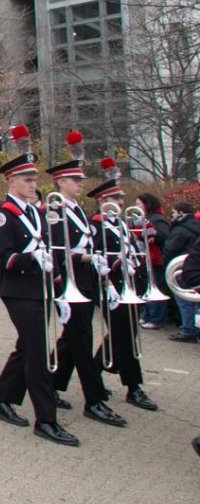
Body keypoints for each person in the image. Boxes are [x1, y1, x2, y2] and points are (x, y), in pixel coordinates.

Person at [0, 132, 78, 446]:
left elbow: (48, 254)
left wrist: (58, 285)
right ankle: (46, 420)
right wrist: (30, 259)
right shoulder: (2, 214)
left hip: (40, 289)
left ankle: (0, 399)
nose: (32, 183)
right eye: (26, 179)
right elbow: (4, 258)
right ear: (11, 180)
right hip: (18, 290)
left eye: (34, 178)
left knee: (26, 347)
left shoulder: (36, 213)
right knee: (37, 354)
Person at [44, 145, 126, 427]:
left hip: (86, 280)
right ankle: (94, 399)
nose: (81, 184)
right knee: (81, 341)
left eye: (81, 179)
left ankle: (51, 384)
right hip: (70, 281)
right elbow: (57, 250)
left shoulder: (78, 209)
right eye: (75, 180)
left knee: (71, 340)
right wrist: (87, 257)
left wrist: (98, 264)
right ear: (61, 182)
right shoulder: (55, 209)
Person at [88, 169, 157, 412]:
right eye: (113, 199)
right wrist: (117, 264)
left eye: (119, 198)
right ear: (101, 202)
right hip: (112, 288)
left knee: (120, 336)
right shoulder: (96, 226)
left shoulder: (121, 224)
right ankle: (133, 388)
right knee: (125, 337)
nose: (119, 202)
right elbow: (96, 257)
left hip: (131, 286)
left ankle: (94, 375)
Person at [164, 203, 200, 342]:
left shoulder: (180, 229)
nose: (171, 215)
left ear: (180, 213)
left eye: (173, 212)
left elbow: (170, 249)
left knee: (185, 302)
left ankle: (189, 331)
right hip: (189, 270)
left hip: (187, 270)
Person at [135, 192, 169, 330]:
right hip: (145, 259)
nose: (136, 207)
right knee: (147, 289)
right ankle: (148, 315)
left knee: (155, 288)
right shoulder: (145, 218)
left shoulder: (157, 219)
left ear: (146, 205)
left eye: (138, 204)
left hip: (156, 260)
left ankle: (156, 319)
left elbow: (163, 235)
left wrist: (148, 233)